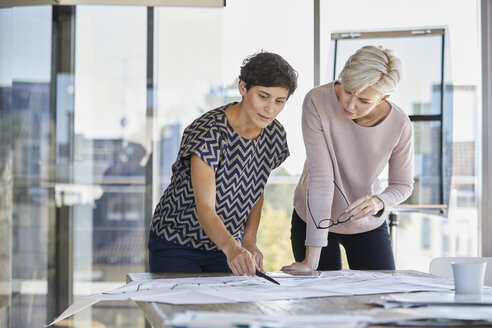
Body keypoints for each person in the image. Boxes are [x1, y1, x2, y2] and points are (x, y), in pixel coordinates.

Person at [149, 51, 298, 276]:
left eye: (280, 101)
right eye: (263, 96)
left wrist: (249, 241)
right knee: (176, 310)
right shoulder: (208, 131)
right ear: (243, 88)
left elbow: (256, 191)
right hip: (177, 242)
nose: (270, 109)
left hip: (227, 244)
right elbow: (205, 208)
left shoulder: (274, 135)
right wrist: (233, 248)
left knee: (228, 308)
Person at [281, 45, 413, 272]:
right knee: (321, 301)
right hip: (312, 219)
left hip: (366, 223)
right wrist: (310, 261)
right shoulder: (317, 101)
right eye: (348, 91)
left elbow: (403, 185)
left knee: (379, 297)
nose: (349, 105)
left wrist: (378, 202)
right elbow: (321, 178)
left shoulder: (399, 123)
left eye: (363, 100)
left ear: (383, 98)